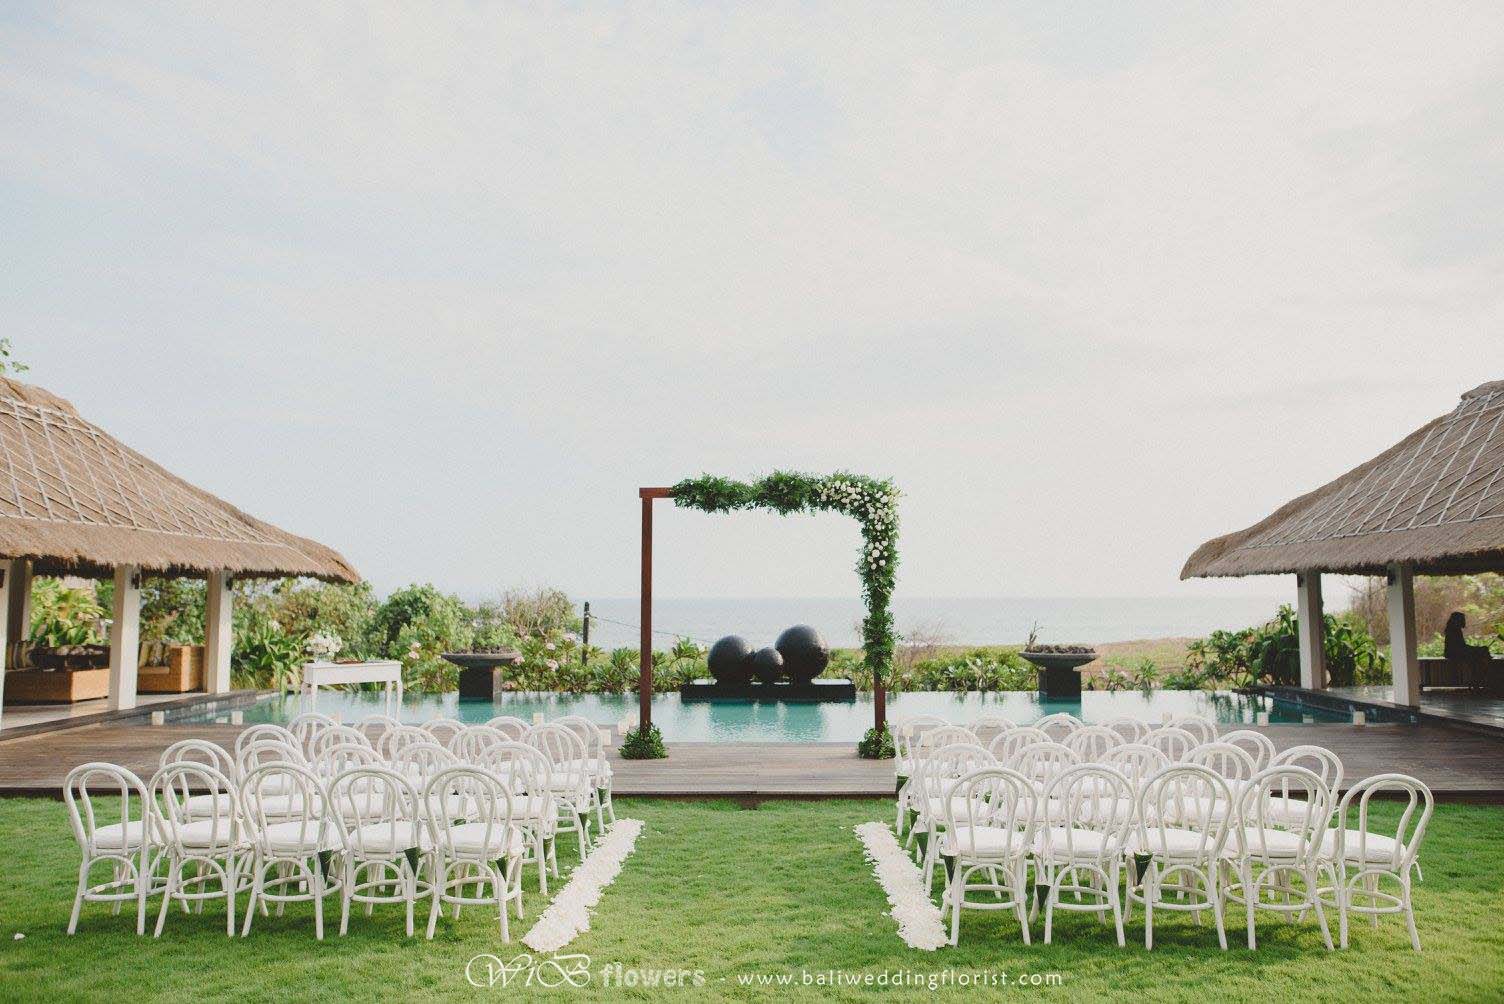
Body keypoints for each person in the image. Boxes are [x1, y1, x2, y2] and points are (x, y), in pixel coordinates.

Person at [1443, 612, 1494, 691]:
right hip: (1454, 654)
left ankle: (1478, 680)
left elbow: (1460, 646)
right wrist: (1477, 649)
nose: (1464, 621)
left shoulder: (1452, 629)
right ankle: (1485, 679)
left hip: (1455, 652)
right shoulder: (1454, 630)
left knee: (1478, 655)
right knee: (1482, 652)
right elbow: (1460, 647)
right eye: (1462, 619)